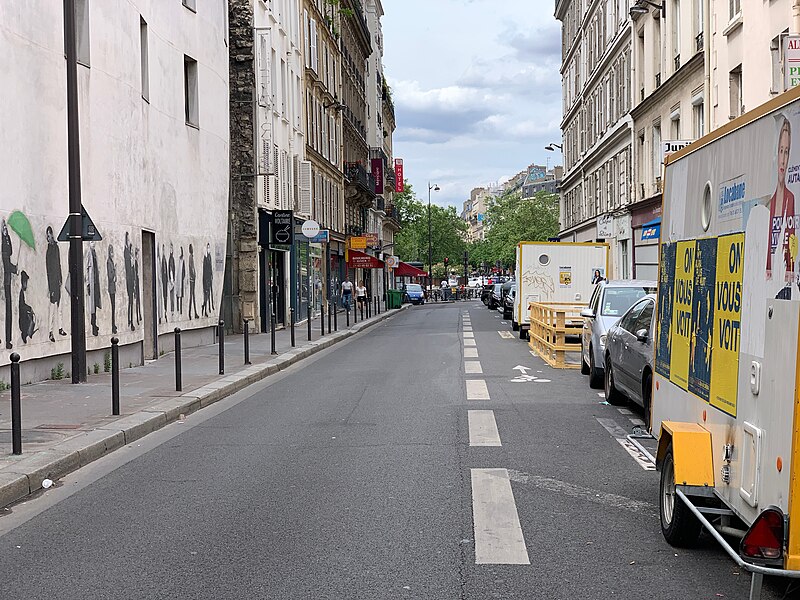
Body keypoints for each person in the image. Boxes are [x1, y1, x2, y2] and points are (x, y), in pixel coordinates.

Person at [767, 116, 796, 299]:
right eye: (781, 151)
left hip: (783, 290)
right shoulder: (768, 204)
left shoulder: (790, 199)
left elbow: (792, 249)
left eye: (787, 152)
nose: (783, 160)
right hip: (766, 286)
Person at [45, 226, 66, 342]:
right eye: (47, 236)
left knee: (60, 307)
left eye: (50, 235)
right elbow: (49, 271)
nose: (49, 238)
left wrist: (60, 279)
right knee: (52, 308)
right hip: (52, 284)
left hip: (58, 282)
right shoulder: (49, 251)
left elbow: (58, 265)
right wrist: (50, 287)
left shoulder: (56, 248)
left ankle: (60, 328)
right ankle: (50, 332)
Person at [2, 220, 17, 349]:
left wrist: (7, 236)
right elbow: (6, 263)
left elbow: (10, 252)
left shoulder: (5, 244)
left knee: (8, 310)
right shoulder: (2, 249)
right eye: (4, 229)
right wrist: (14, 269)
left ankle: (8, 340)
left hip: (6, 281)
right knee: (6, 310)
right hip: (4, 282)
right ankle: (6, 340)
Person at [86, 240, 101, 336]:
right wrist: (87, 283)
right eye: (91, 242)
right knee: (91, 306)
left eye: (94, 242)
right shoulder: (89, 254)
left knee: (94, 305)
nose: (94, 243)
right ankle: (93, 326)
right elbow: (87, 269)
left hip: (95, 284)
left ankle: (94, 324)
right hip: (91, 283)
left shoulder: (94, 254)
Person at [18, 271, 35, 343]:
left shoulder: (23, 291)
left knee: (31, 317)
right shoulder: (21, 292)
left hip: (23, 314)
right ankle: (26, 333)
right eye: (25, 282)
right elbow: (21, 305)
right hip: (22, 316)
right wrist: (29, 308)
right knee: (30, 319)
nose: (26, 285)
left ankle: (28, 333)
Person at [124, 232, 134, 331]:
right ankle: (129, 320)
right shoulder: (126, 252)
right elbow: (129, 267)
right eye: (128, 239)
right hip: (129, 280)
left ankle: (130, 319)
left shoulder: (129, 253)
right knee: (130, 300)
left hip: (132, 280)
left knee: (131, 301)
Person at [107, 245, 117, 334]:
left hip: (113, 288)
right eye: (111, 252)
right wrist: (114, 271)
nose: (113, 254)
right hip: (111, 288)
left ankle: (114, 325)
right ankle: (113, 326)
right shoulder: (109, 262)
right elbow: (110, 277)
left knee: (114, 307)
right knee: (113, 307)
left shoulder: (111, 262)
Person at [188, 243, 198, 319]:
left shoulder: (191, 257)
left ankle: (193, 313)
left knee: (193, 296)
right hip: (192, 279)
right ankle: (191, 313)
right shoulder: (190, 257)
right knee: (192, 296)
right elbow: (191, 268)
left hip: (192, 279)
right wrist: (193, 276)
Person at [176, 246, 185, 315]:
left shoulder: (182, 261)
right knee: (177, 294)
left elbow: (184, 271)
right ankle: (178, 308)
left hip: (181, 279)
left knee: (181, 294)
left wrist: (183, 278)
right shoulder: (178, 260)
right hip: (177, 279)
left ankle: (181, 309)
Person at [133, 246, 141, 324]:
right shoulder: (134, 263)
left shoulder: (135, 263)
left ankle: (139, 315)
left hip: (137, 283)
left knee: (138, 300)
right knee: (137, 301)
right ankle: (138, 317)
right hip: (135, 284)